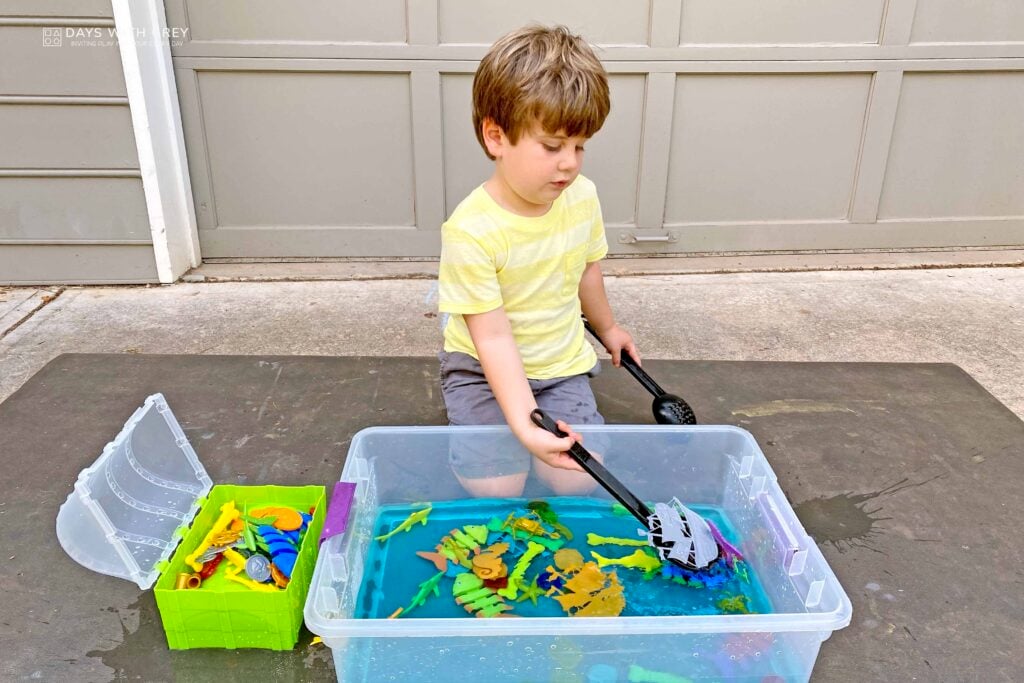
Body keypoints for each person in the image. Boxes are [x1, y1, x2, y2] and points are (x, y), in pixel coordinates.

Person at [437, 24, 639, 498]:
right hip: (481, 371)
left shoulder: (582, 197)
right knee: (497, 490)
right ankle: (488, 432)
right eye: (552, 146)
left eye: (579, 146)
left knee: (576, 482)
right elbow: (492, 337)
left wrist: (608, 329)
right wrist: (526, 430)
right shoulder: (471, 230)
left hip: (560, 364)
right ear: (495, 137)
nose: (569, 163)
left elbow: (586, 268)